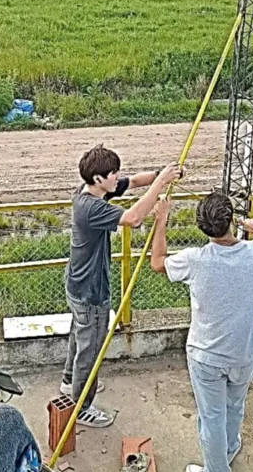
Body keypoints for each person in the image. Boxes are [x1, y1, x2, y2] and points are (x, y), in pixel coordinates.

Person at [151, 192, 253, 472]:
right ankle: (229, 448)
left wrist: (161, 219)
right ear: (232, 221)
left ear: (203, 227)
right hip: (243, 351)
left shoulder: (195, 259)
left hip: (206, 355)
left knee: (211, 417)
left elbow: (157, 263)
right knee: (235, 405)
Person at [62, 145, 181, 427]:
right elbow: (133, 219)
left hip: (78, 285)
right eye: (112, 174)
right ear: (98, 179)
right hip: (90, 292)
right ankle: (81, 406)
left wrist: (162, 174)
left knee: (80, 337)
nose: (118, 177)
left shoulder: (92, 191)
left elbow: (136, 181)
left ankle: (69, 383)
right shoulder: (90, 207)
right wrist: (161, 184)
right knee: (90, 351)